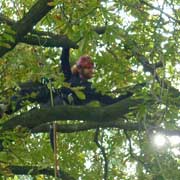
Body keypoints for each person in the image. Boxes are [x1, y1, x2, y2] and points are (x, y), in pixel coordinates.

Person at [59, 48, 133, 106]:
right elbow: (64, 60)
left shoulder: (92, 88)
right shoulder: (69, 76)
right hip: (58, 100)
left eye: (91, 68)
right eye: (88, 68)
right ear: (79, 68)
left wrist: (132, 91)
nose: (91, 70)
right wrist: (66, 45)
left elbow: (112, 101)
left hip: (69, 107)